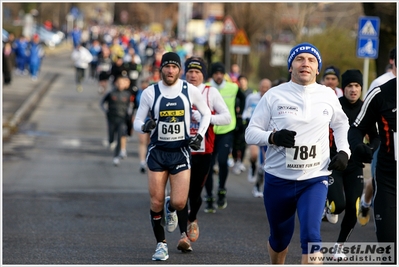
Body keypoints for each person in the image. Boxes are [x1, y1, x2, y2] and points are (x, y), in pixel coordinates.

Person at [245, 43, 351, 264]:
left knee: (312, 237)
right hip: (278, 180)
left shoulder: (327, 95)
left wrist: (343, 151)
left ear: (318, 69)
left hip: (314, 178)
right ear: (290, 66)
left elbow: (341, 124)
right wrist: (272, 137)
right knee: (279, 240)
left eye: (311, 60)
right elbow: (250, 133)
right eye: (299, 59)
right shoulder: (274, 95)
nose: (306, 64)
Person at [133, 52, 211, 261]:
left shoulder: (189, 90)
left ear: (179, 70)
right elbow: (137, 120)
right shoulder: (151, 92)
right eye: (166, 67)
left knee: (178, 202)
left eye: (174, 67)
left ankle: (171, 207)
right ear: (161, 70)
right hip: (158, 152)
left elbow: (207, 113)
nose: (170, 71)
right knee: (155, 201)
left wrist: (200, 135)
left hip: (180, 152)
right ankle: (161, 244)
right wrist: (144, 126)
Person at [175, 57, 231, 252]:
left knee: (195, 194)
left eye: (197, 72)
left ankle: (192, 218)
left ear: (203, 75)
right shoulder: (177, 89)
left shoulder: (210, 92)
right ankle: (184, 236)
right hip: (179, 149)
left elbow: (227, 118)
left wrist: (206, 117)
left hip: (203, 150)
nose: (193, 75)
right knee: (181, 193)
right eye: (190, 71)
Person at [324, 69, 378, 259]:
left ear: (361, 88)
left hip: (355, 165)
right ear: (343, 88)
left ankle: (339, 246)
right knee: (337, 206)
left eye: (357, 86)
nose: (353, 90)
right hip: (335, 163)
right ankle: (327, 204)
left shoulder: (367, 109)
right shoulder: (334, 106)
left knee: (353, 208)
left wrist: (369, 150)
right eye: (349, 86)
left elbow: (375, 137)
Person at [348, 76, 396, 263]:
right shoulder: (380, 93)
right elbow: (356, 129)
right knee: (389, 251)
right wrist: (358, 146)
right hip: (389, 181)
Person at [358, 47, 397, 226]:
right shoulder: (380, 83)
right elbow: (368, 111)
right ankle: (366, 204)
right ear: (392, 61)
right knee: (376, 178)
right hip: (382, 138)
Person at [204, 62, 244, 213]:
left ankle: (221, 189)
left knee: (222, 161)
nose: (219, 76)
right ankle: (208, 195)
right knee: (208, 164)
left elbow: (242, 97)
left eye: (221, 73)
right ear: (212, 75)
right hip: (209, 130)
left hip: (227, 129)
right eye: (216, 73)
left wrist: (239, 116)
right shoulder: (206, 87)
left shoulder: (233, 87)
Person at [242, 78, 272, 196]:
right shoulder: (251, 98)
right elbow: (246, 110)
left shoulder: (272, 98)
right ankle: (252, 167)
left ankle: (257, 186)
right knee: (254, 155)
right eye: (262, 86)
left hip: (266, 134)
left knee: (264, 164)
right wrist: (246, 118)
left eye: (267, 87)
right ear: (259, 87)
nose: (264, 89)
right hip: (254, 131)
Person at [100, 71, 133, 166]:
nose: (120, 85)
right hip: (111, 118)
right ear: (115, 83)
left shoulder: (127, 94)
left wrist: (129, 115)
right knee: (111, 137)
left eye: (122, 83)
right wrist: (106, 111)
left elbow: (130, 106)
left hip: (122, 119)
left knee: (120, 136)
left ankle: (116, 157)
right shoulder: (111, 93)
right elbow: (102, 103)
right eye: (119, 82)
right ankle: (111, 141)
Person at [231, 75, 254, 175]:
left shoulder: (251, 92)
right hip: (235, 120)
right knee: (235, 143)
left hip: (246, 121)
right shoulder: (235, 91)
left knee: (243, 142)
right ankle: (235, 160)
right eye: (241, 81)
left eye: (244, 81)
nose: (242, 83)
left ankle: (240, 162)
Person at [135, 79, 151, 173]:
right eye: (143, 83)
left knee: (150, 142)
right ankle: (142, 162)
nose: (144, 85)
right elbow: (134, 106)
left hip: (152, 121)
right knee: (142, 141)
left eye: (146, 83)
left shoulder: (152, 92)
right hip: (142, 120)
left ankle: (148, 159)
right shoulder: (138, 92)